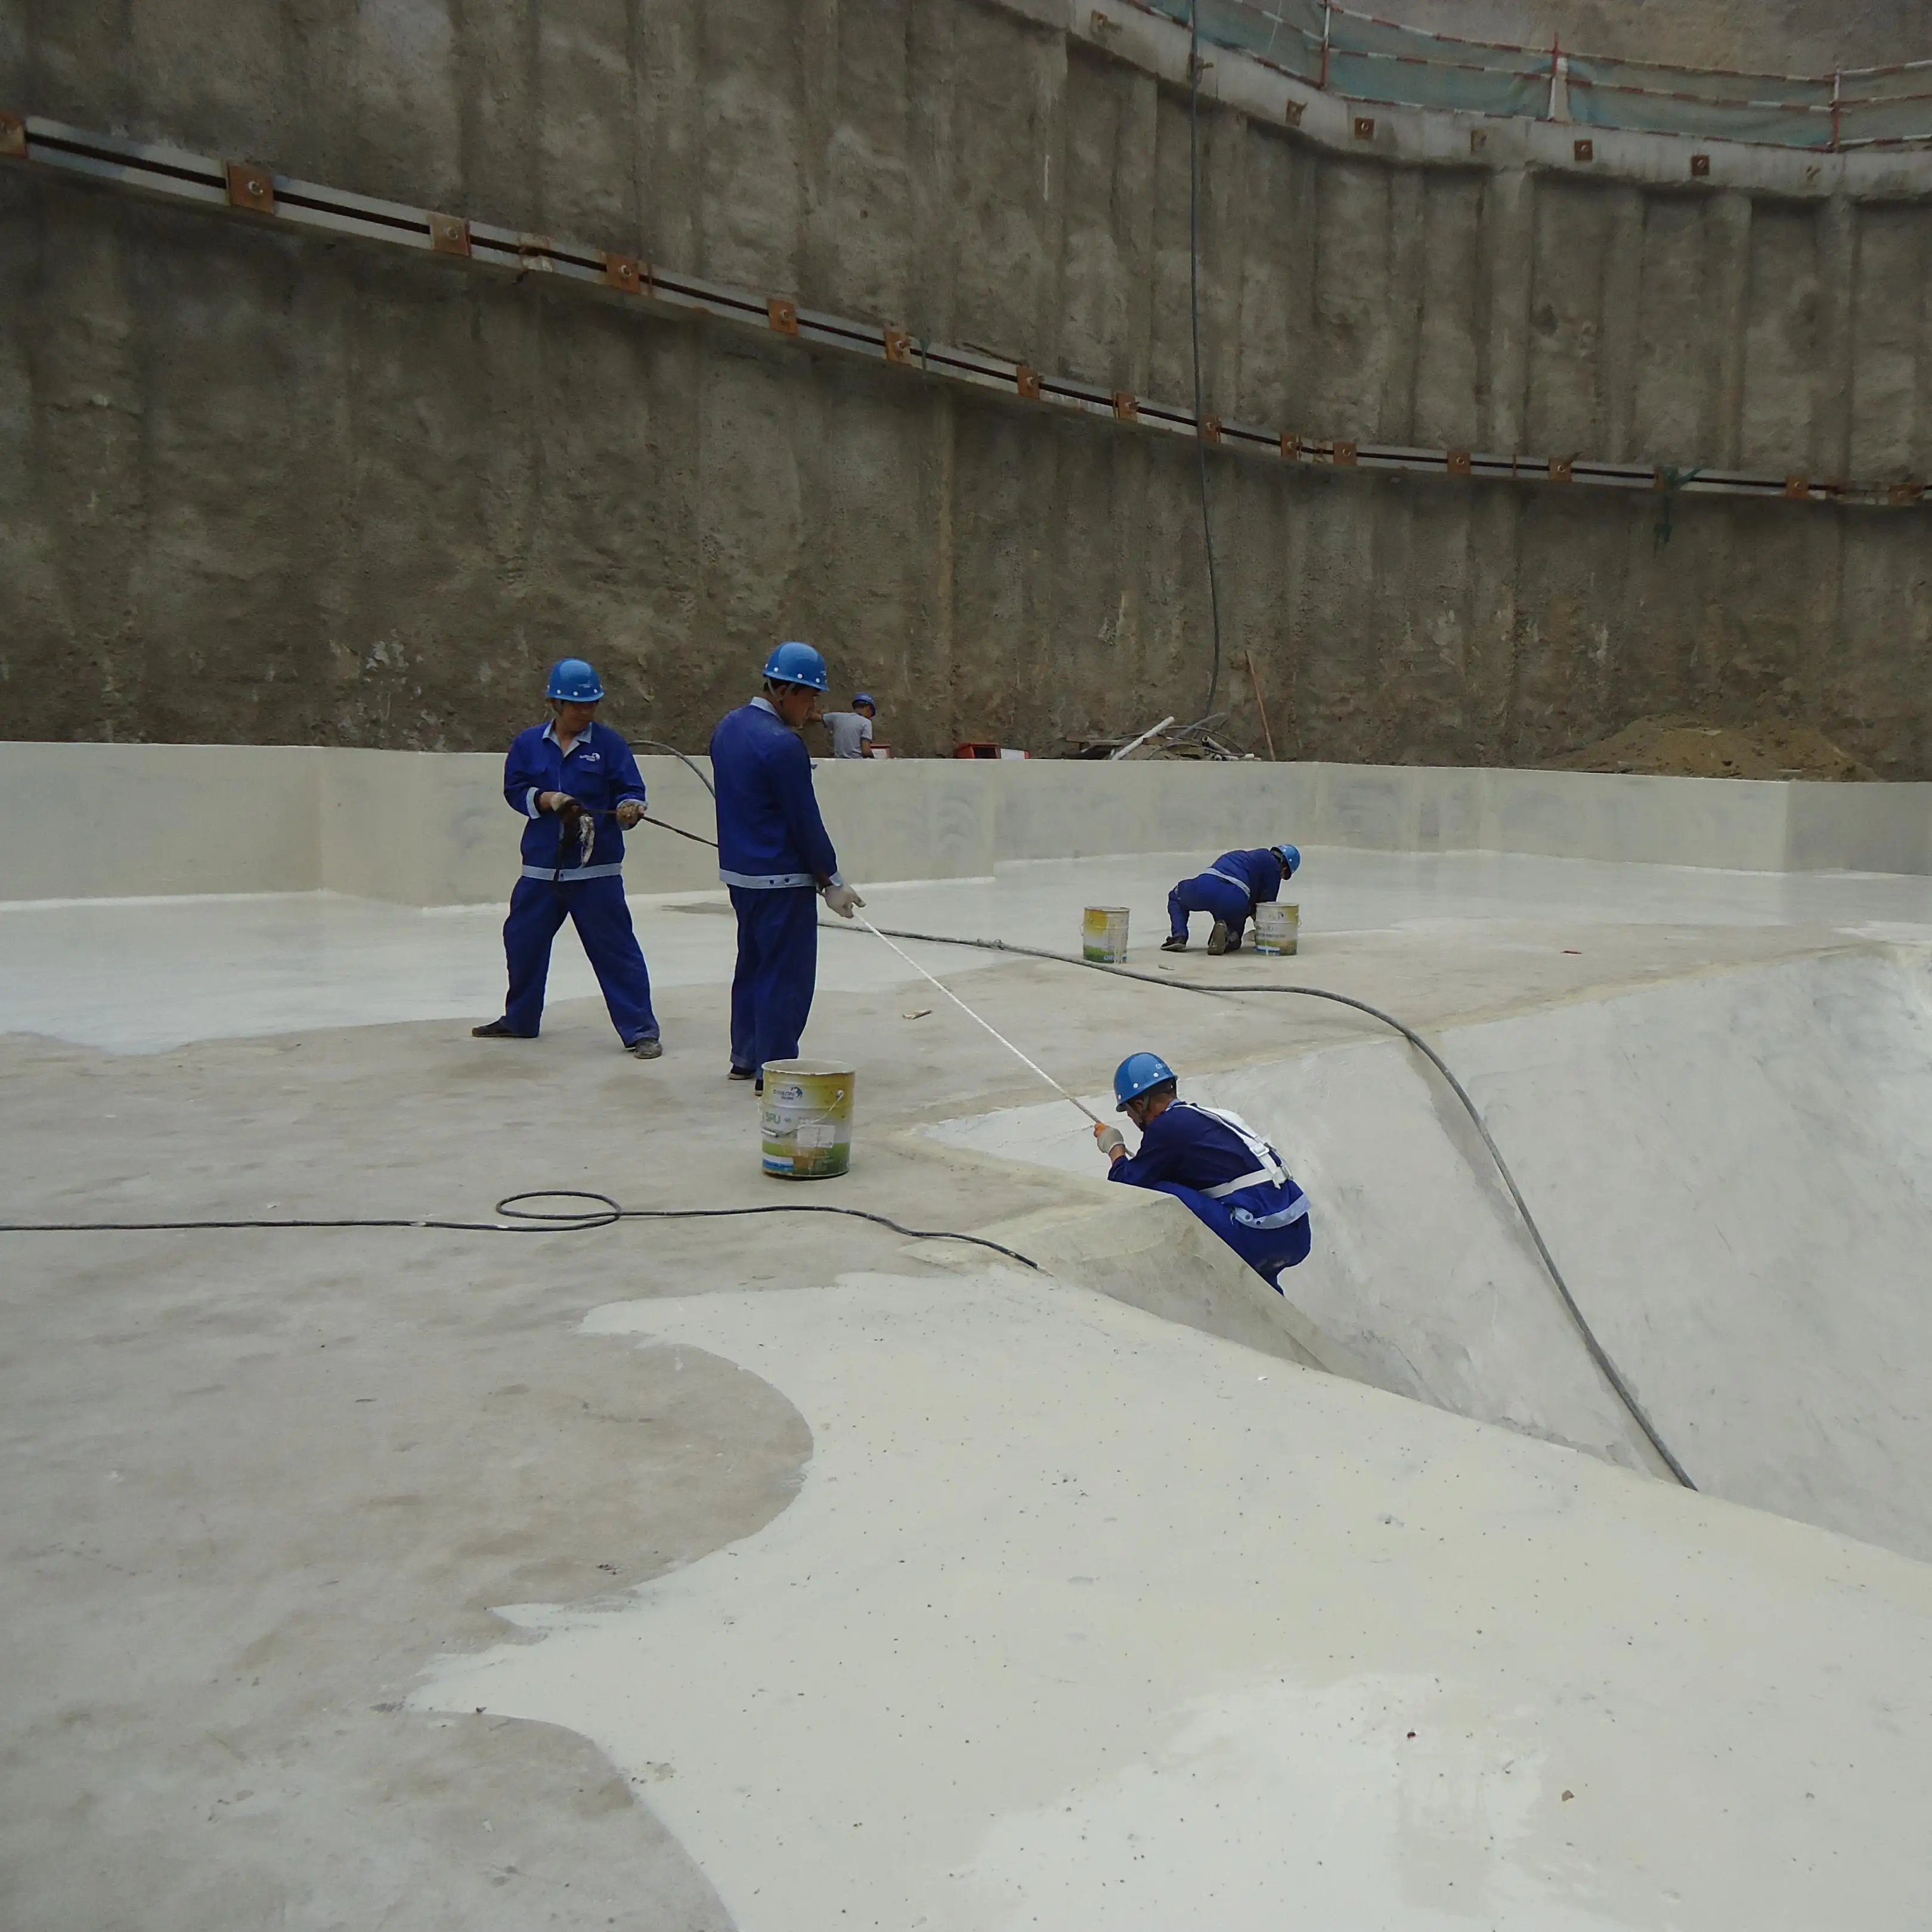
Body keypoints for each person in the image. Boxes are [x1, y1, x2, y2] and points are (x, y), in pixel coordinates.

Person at [472, 658, 663, 1058]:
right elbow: (514, 790)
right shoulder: (528, 744)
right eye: (577, 705)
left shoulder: (609, 745)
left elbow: (631, 789)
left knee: (615, 950)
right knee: (522, 941)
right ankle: (520, 1019)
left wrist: (630, 807)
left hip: (596, 873)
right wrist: (546, 799)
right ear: (555, 704)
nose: (585, 711)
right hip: (542, 871)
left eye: (592, 704)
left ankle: (640, 1030)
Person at [710, 642, 866, 1085]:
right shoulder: (783, 746)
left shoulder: (728, 728)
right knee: (786, 977)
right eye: (810, 696)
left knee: (753, 965)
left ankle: (746, 1056)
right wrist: (831, 880)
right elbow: (804, 821)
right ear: (784, 690)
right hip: (781, 880)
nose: (813, 707)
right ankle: (775, 1069)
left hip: (741, 876)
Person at [1093, 1052, 1311, 1289]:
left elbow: (1126, 1183)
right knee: (1261, 1291)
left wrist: (1114, 1147)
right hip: (1296, 1232)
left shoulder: (1167, 1127)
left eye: (1129, 1113)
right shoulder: (1215, 1118)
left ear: (1139, 1104)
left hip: (1256, 1236)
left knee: (1160, 1189)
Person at [1163, 843, 1300, 954]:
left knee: (1176, 897)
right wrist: (1264, 932)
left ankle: (1179, 936)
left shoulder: (1243, 857)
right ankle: (1228, 936)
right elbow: (1265, 907)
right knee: (1235, 935)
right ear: (1284, 869)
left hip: (1205, 885)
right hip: (1234, 897)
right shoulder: (1274, 867)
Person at [821, 692, 878, 759]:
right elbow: (866, 751)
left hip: (838, 762)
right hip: (857, 763)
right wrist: (876, 759)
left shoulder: (838, 717)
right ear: (869, 708)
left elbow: (819, 717)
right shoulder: (866, 723)